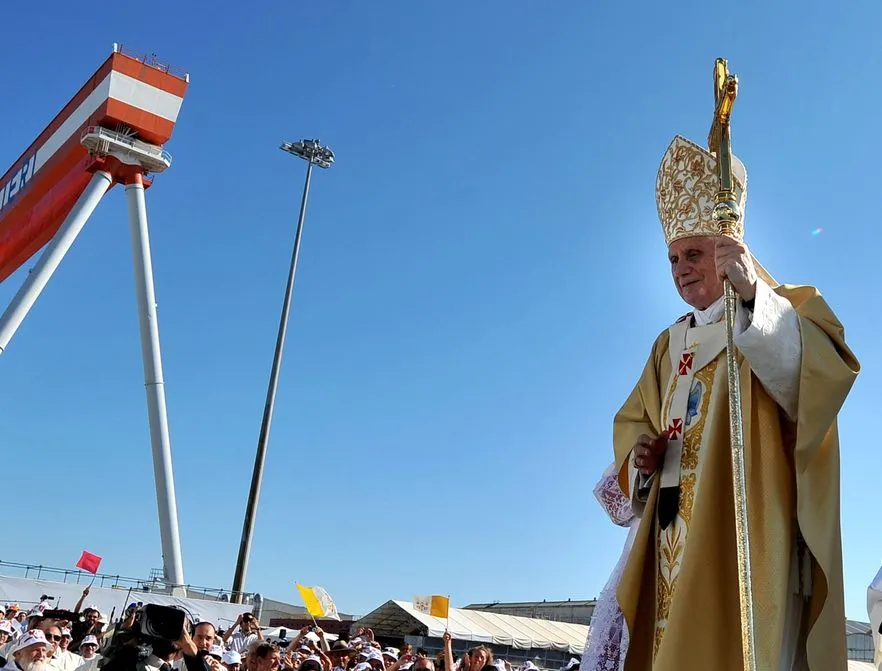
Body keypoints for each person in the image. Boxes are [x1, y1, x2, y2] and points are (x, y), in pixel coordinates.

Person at [612, 135, 860, 670]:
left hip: (751, 531)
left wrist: (752, 300)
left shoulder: (781, 309)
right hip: (673, 538)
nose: (680, 268)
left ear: (731, 250)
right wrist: (641, 461)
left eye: (694, 253)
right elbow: (633, 428)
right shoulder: (667, 345)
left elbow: (816, 387)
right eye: (673, 257)